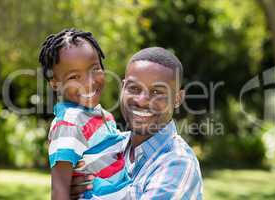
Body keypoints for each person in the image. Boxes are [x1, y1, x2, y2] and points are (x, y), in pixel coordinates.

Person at [71, 47, 203, 199]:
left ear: (178, 98)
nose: (141, 101)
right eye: (134, 88)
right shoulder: (109, 146)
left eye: (157, 92)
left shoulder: (178, 163)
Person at [39, 28, 131, 200]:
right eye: (74, 77)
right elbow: (59, 191)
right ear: (55, 84)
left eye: (95, 69)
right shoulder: (69, 124)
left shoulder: (101, 116)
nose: (88, 82)